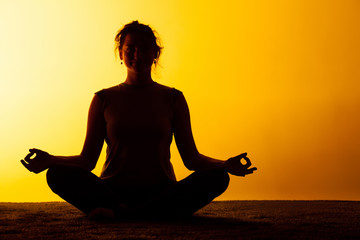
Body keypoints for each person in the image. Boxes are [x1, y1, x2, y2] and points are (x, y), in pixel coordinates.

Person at [21, 21, 257, 220]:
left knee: (218, 178)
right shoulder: (103, 99)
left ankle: (124, 214)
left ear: (156, 53)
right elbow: (87, 160)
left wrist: (224, 165)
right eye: (130, 49)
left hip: (161, 191)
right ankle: (145, 214)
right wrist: (51, 159)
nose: (137, 55)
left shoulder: (173, 98)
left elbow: (192, 159)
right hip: (112, 190)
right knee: (56, 174)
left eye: (144, 48)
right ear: (120, 53)